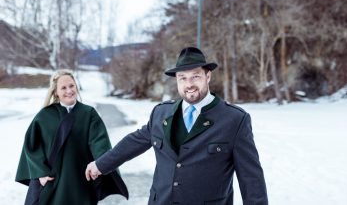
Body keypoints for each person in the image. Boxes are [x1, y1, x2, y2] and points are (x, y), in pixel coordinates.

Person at [86, 47, 268, 204]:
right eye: (182, 78)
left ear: (208, 76)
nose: (189, 84)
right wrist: (101, 165)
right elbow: (134, 142)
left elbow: (252, 180)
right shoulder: (161, 113)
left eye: (195, 76)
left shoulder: (234, 120)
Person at [15, 69, 128, 205]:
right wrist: (40, 173)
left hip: (80, 182)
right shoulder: (44, 116)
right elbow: (31, 147)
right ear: (56, 91)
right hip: (52, 182)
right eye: (63, 88)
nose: (69, 91)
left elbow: (100, 143)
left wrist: (101, 164)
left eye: (71, 86)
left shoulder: (89, 114)